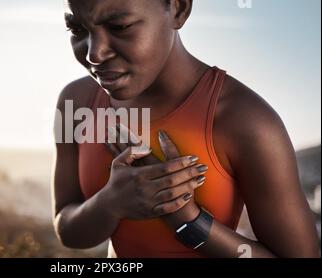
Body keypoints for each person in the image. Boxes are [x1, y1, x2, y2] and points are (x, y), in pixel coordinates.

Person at [52, 0, 319, 258]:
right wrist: (111, 203)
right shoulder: (75, 102)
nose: (94, 54)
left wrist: (189, 223)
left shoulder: (245, 120)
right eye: (77, 29)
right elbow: (67, 230)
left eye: (119, 26)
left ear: (179, 8)